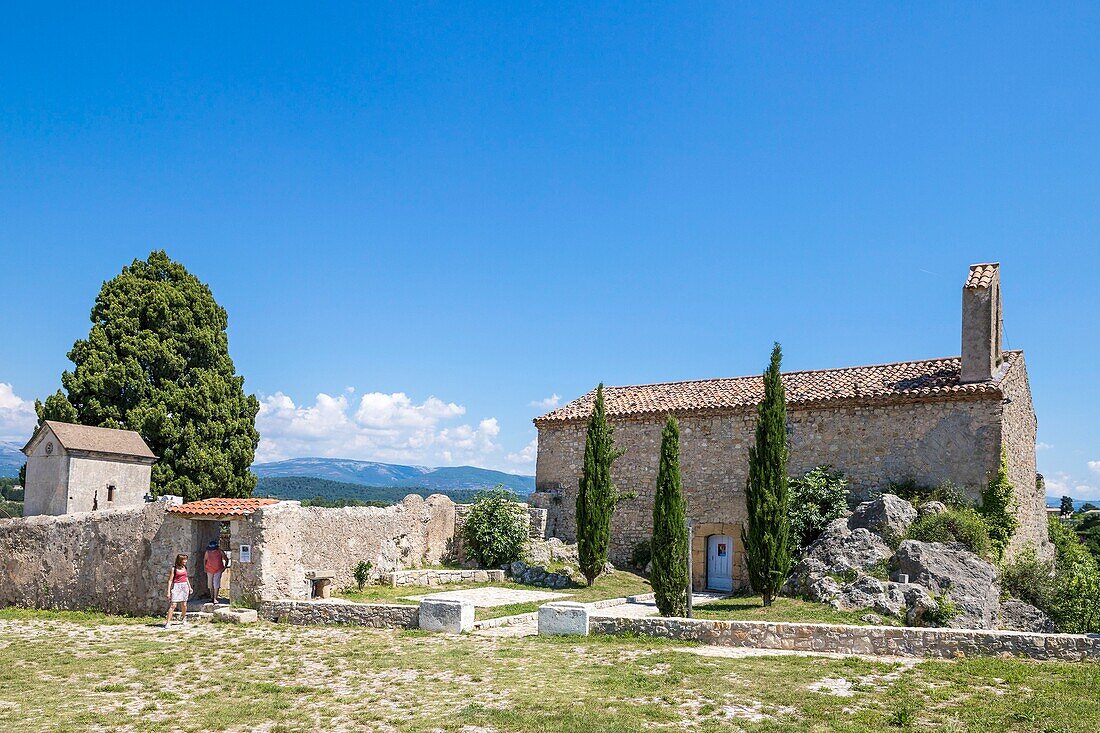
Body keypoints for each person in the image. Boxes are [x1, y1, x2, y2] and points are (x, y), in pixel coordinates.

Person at [164, 553, 192, 628]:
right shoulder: (174, 569)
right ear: (180, 560)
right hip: (177, 586)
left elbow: (186, 578)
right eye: (184, 559)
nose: (186, 561)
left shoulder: (184, 567)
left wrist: (189, 587)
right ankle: (168, 623)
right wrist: (168, 591)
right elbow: (170, 580)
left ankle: (183, 618)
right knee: (173, 605)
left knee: (184, 604)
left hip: (184, 586)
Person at [204, 539, 229, 604]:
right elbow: (205, 560)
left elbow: (226, 559)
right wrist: (205, 567)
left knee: (216, 583)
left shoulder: (220, 551)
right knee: (210, 584)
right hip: (209, 569)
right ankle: (212, 597)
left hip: (218, 569)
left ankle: (215, 598)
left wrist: (225, 567)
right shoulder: (207, 552)